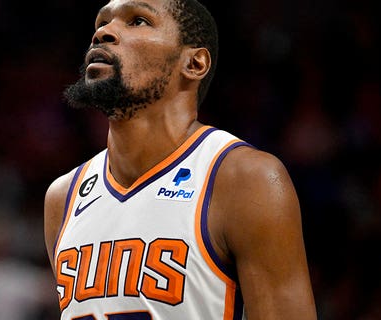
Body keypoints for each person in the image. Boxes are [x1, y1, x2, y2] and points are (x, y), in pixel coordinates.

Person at [43, 0, 317, 319]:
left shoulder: (244, 178)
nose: (104, 32)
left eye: (138, 21)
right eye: (101, 23)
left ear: (194, 63)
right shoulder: (63, 197)